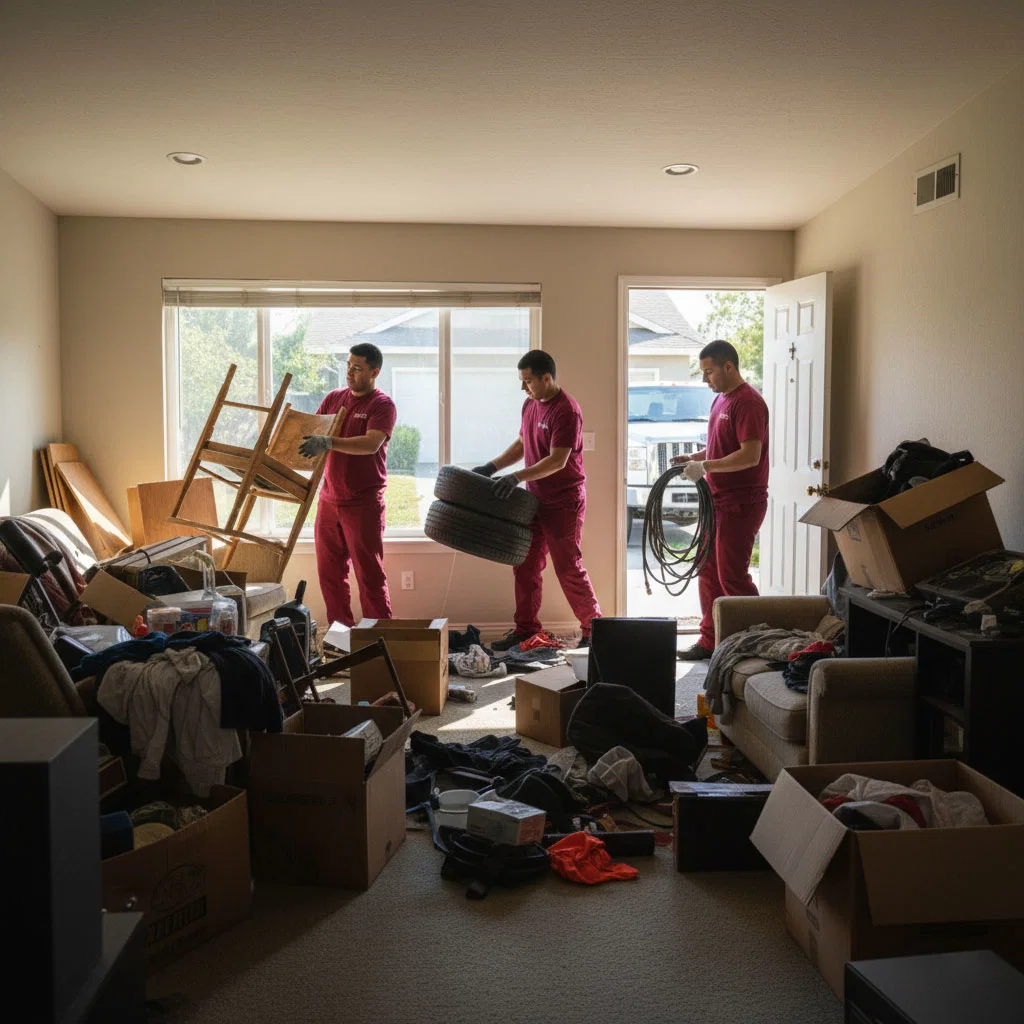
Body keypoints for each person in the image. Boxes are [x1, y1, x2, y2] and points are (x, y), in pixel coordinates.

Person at [473, 350, 602, 650]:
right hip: (535, 500)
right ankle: (526, 629)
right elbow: (522, 443)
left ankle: (593, 629)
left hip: (563, 501)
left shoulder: (566, 411)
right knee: (525, 564)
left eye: (528, 381)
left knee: (568, 566)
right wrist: (492, 467)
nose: (524, 388)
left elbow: (558, 460)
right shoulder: (530, 404)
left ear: (547, 378)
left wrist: (517, 477)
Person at [672, 339, 769, 660]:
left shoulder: (748, 403)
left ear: (729, 367)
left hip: (741, 502)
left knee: (732, 576)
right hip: (717, 501)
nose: (705, 380)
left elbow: (750, 455)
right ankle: (710, 641)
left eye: (709, 372)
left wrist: (706, 466)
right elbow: (720, 447)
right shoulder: (721, 401)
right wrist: (695, 457)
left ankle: (755, 643)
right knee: (707, 570)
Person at [298, 342, 397, 627]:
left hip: (363, 502)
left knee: (369, 576)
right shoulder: (333, 398)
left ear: (374, 372)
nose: (350, 373)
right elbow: (313, 434)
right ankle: (340, 639)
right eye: (348, 366)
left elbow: (370, 444)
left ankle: (380, 640)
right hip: (329, 500)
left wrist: (330, 442)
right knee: (330, 574)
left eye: (357, 368)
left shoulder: (382, 405)